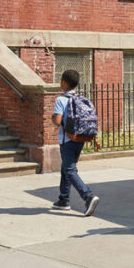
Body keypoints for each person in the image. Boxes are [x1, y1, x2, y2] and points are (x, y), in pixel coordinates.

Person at [51, 69, 99, 216]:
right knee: (66, 167)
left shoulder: (61, 100)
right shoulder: (81, 98)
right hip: (81, 138)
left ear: (64, 83)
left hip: (67, 140)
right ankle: (63, 200)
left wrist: (53, 118)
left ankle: (88, 196)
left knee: (70, 170)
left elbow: (58, 122)